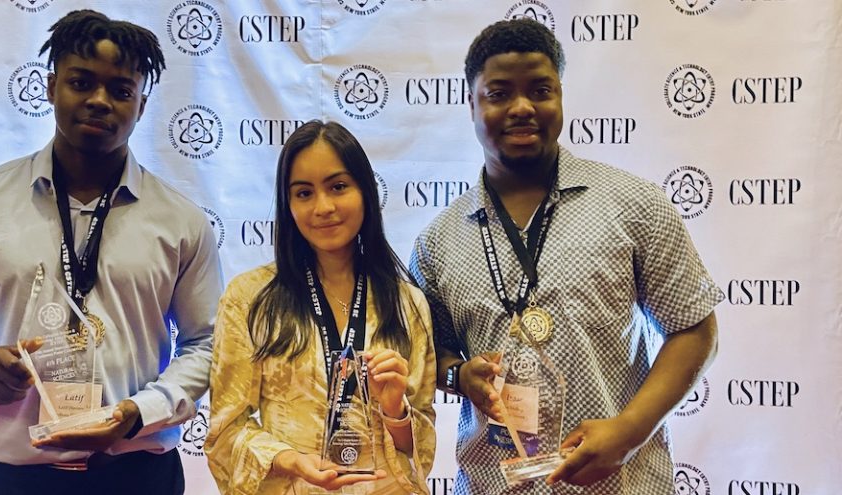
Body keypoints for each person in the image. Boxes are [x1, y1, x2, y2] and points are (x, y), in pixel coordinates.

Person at [0, 10, 221, 494]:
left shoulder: (182, 222)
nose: (99, 101)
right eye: (81, 82)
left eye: (121, 90)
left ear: (142, 105)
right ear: (50, 87)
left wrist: (138, 413)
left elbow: (208, 344)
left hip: (138, 477)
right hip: (12, 476)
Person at [410, 19, 722, 494]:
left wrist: (631, 431)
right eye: (498, 93)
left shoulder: (633, 203)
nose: (521, 108)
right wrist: (460, 376)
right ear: (470, 101)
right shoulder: (438, 241)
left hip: (621, 483)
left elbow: (695, 328)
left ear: (561, 95)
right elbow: (431, 357)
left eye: (540, 90)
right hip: (493, 485)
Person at [205, 120, 436, 494]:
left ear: (365, 192)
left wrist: (396, 411)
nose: (323, 207)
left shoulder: (407, 303)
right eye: (304, 193)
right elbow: (225, 432)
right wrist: (289, 459)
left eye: (338, 186)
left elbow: (420, 449)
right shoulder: (249, 298)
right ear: (288, 203)